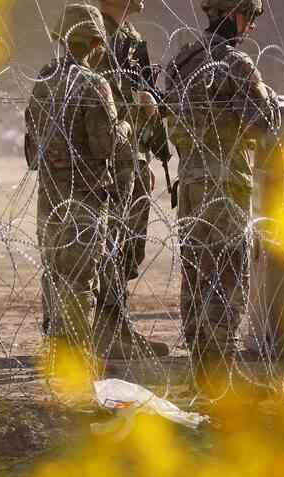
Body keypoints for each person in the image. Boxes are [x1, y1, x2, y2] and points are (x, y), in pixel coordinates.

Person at [164, 0, 279, 379]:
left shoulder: (183, 63)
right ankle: (218, 377)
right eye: (250, 17)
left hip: (192, 182)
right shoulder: (237, 65)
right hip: (227, 184)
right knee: (226, 276)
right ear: (237, 16)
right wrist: (273, 102)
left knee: (195, 277)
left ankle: (201, 370)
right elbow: (262, 124)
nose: (250, 27)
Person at [25, 4, 130, 358]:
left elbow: (32, 145)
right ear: (96, 44)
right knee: (81, 282)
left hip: (50, 198)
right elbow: (105, 145)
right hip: (84, 201)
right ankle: (74, 364)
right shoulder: (94, 84)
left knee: (54, 280)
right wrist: (128, 127)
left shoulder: (44, 78)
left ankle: (56, 357)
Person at [93, 0, 173, 359]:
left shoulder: (131, 37)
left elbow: (142, 90)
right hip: (110, 153)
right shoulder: (96, 34)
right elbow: (92, 90)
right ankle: (108, 330)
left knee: (128, 244)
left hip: (133, 153)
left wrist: (151, 144)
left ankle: (115, 324)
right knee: (111, 241)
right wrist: (135, 99)